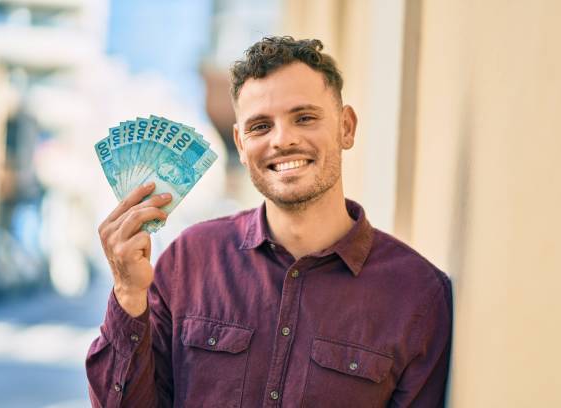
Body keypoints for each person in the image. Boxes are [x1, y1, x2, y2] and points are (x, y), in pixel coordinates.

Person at [86, 36, 452, 407]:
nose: (282, 140)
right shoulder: (189, 261)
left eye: (304, 118)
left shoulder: (416, 294)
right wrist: (128, 295)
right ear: (241, 145)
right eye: (260, 126)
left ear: (346, 127)